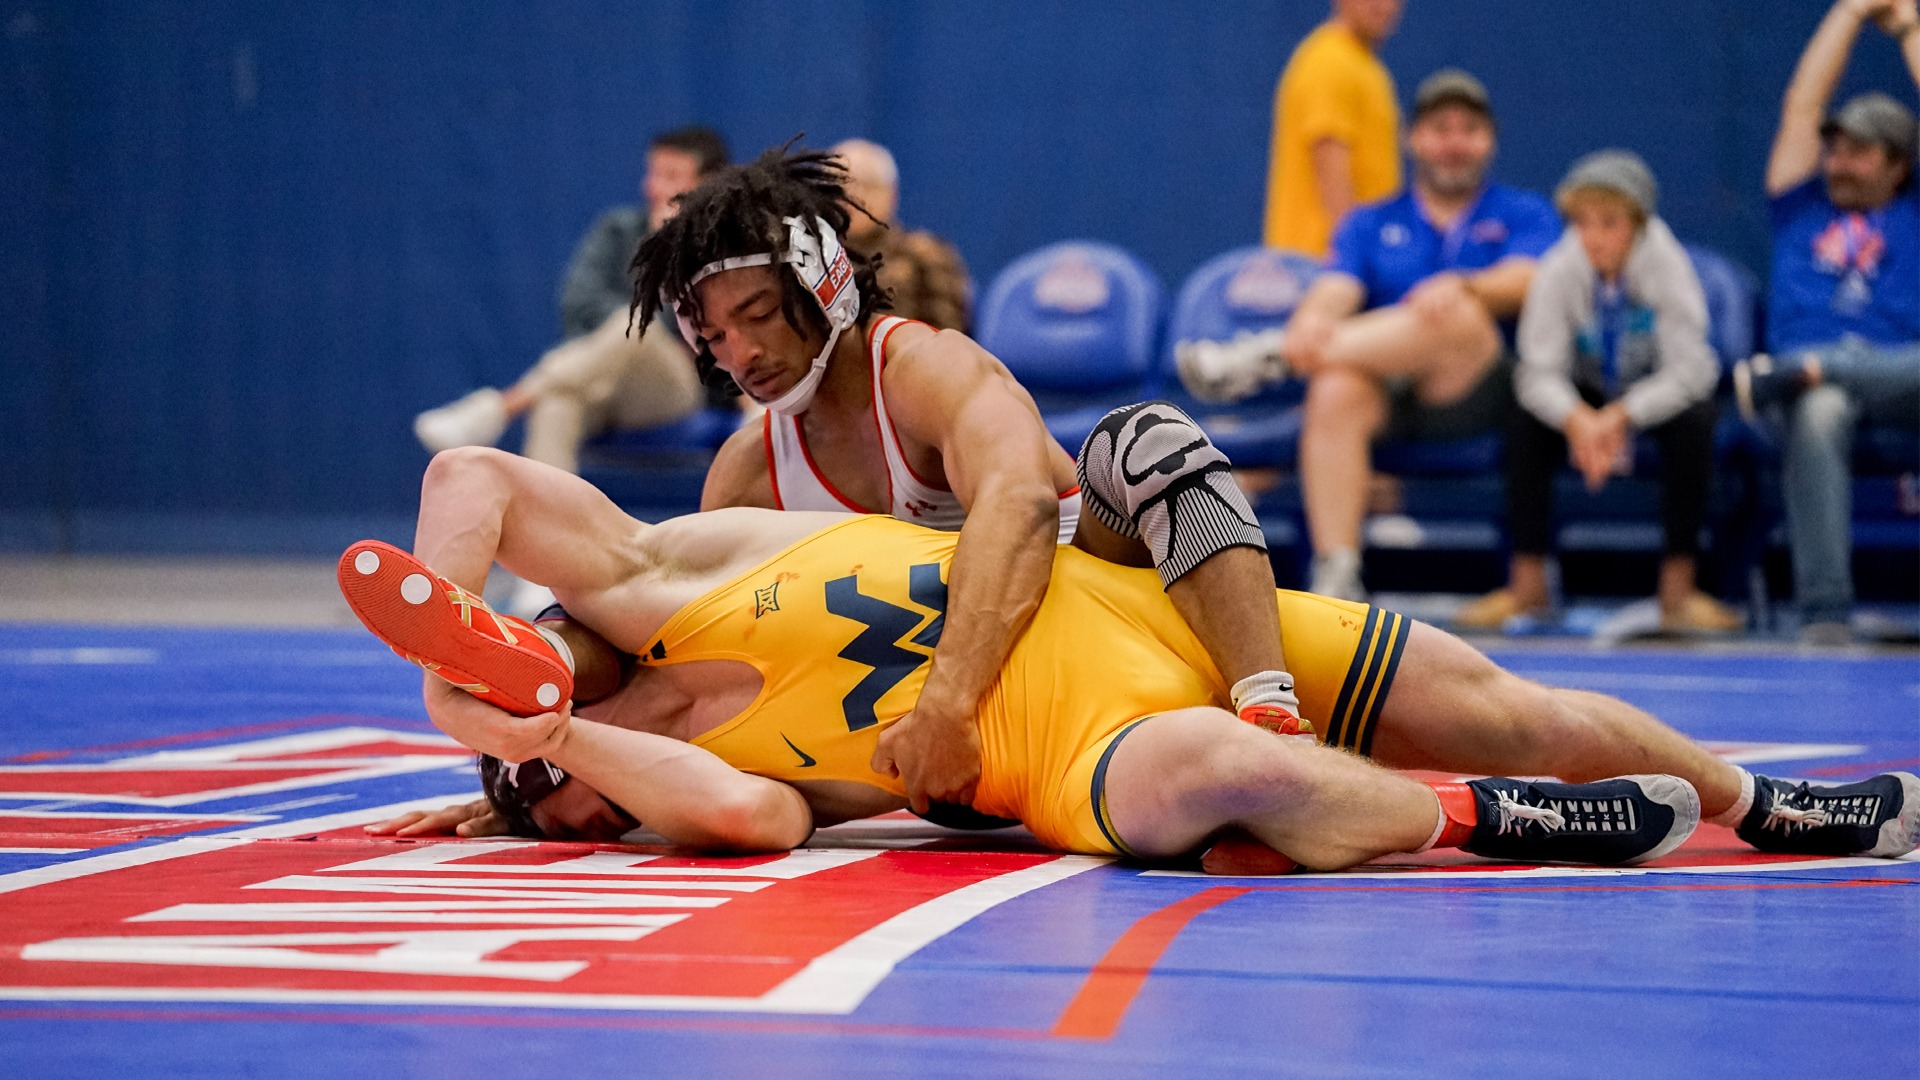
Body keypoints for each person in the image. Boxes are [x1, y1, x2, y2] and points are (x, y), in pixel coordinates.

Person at [339, 450, 1920, 870]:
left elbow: (469, 475)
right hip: (1073, 755)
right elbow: (745, 827)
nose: (537, 662)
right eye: (551, 787)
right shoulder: (711, 787)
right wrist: (536, 743)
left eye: (517, 649)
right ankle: (1487, 824)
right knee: (1231, 773)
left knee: (1501, 698)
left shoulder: (656, 563)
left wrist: (444, 637)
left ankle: (1762, 797)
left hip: (1136, 614)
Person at [546, 144, 1308, 820]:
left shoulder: (925, 372)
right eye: (715, 336)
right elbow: (665, 648)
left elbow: (1023, 510)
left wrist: (949, 700)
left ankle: (1271, 715)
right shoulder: (747, 471)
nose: (740, 353)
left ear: (822, 284)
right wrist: (531, 764)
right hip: (973, 744)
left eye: (756, 316)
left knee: (1148, 440)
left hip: (1090, 624)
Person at [1184, 70, 1560, 602]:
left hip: (1478, 391)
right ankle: (1338, 572)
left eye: (1469, 129)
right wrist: (1312, 319)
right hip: (1387, 392)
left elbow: (1529, 279)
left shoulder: (1524, 212)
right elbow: (1335, 287)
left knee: (1454, 310)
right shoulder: (1369, 221)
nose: (1454, 143)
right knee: (1334, 387)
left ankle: (1267, 358)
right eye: (1440, 128)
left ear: (1490, 140)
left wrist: (1465, 283)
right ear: (1414, 138)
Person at [1457, 151, 1743, 634]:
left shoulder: (1667, 265)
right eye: (1583, 223)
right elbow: (1536, 371)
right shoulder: (1560, 266)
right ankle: (1527, 588)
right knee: (1525, 422)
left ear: (1637, 223)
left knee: (1697, 420)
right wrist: (1578, 419)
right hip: (1585, 391)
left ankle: (1679, 591)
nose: (1594, 238)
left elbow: (1693, 369)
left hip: (1650, 392)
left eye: (1609, 223)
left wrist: (1623, 416)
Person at [1733, 0, 1920, 644]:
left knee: (1818, 382)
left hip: (1907, 380)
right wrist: (1849, 10)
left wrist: (1909, 30)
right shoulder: (1800, 208)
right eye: (1835, 149)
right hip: (1818, 395)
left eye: (1860, 152)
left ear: (1898, 164)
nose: (1838, 161)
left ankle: (1808, 369)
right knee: (1817, 408)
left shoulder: (1913, 214)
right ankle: (1827, 614)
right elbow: (1802, 109)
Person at [411, 126, 732, 476]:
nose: (654, 187)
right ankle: (545, 526)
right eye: (652, 173)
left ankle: (499, 408)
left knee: (637, 326)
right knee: (557, 402)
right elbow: (577, 304)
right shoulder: (617, 230)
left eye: (671, 176)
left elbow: (697, 331)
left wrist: (670, 249)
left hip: (671, 390)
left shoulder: (721, 246)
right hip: (595, 378)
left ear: (706, 184)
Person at [1263, 0, 1404, 257]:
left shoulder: (1364, 65)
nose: (1382, 5)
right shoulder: (1330, 63)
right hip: (1322, 266)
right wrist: (1356, 260)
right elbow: (1331, 172)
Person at [832, 138, 972, 333]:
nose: (851, 195)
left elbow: (947, 339)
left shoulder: (925, 255)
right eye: (839, 184)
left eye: (865, 183)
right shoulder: (814, 259)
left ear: (892, 193)